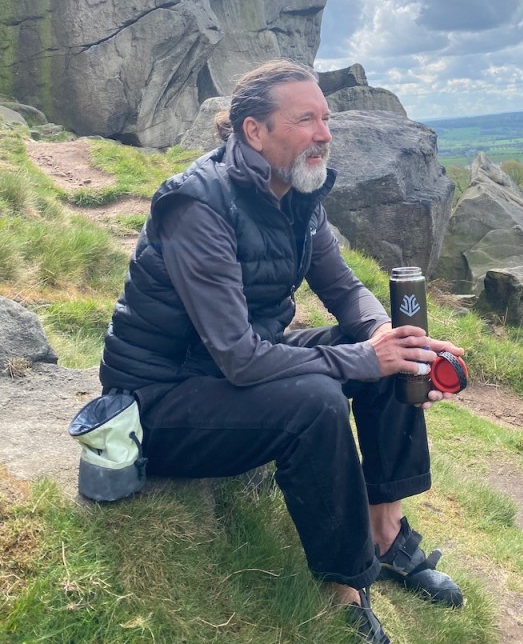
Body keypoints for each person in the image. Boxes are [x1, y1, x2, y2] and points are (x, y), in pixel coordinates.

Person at [99, 59, 466, 644]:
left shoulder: (298, 192)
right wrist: (365, 359)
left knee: (383, 343)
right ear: (254, 132)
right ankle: (345, 586)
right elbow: (239, 358)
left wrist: (397, 342)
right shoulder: (196, 205)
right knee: (317, 399)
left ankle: (385, 531)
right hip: (160, 402)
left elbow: (345, 290)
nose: (324, 133)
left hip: (234, 371)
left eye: (325, 118)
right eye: (305, 119)